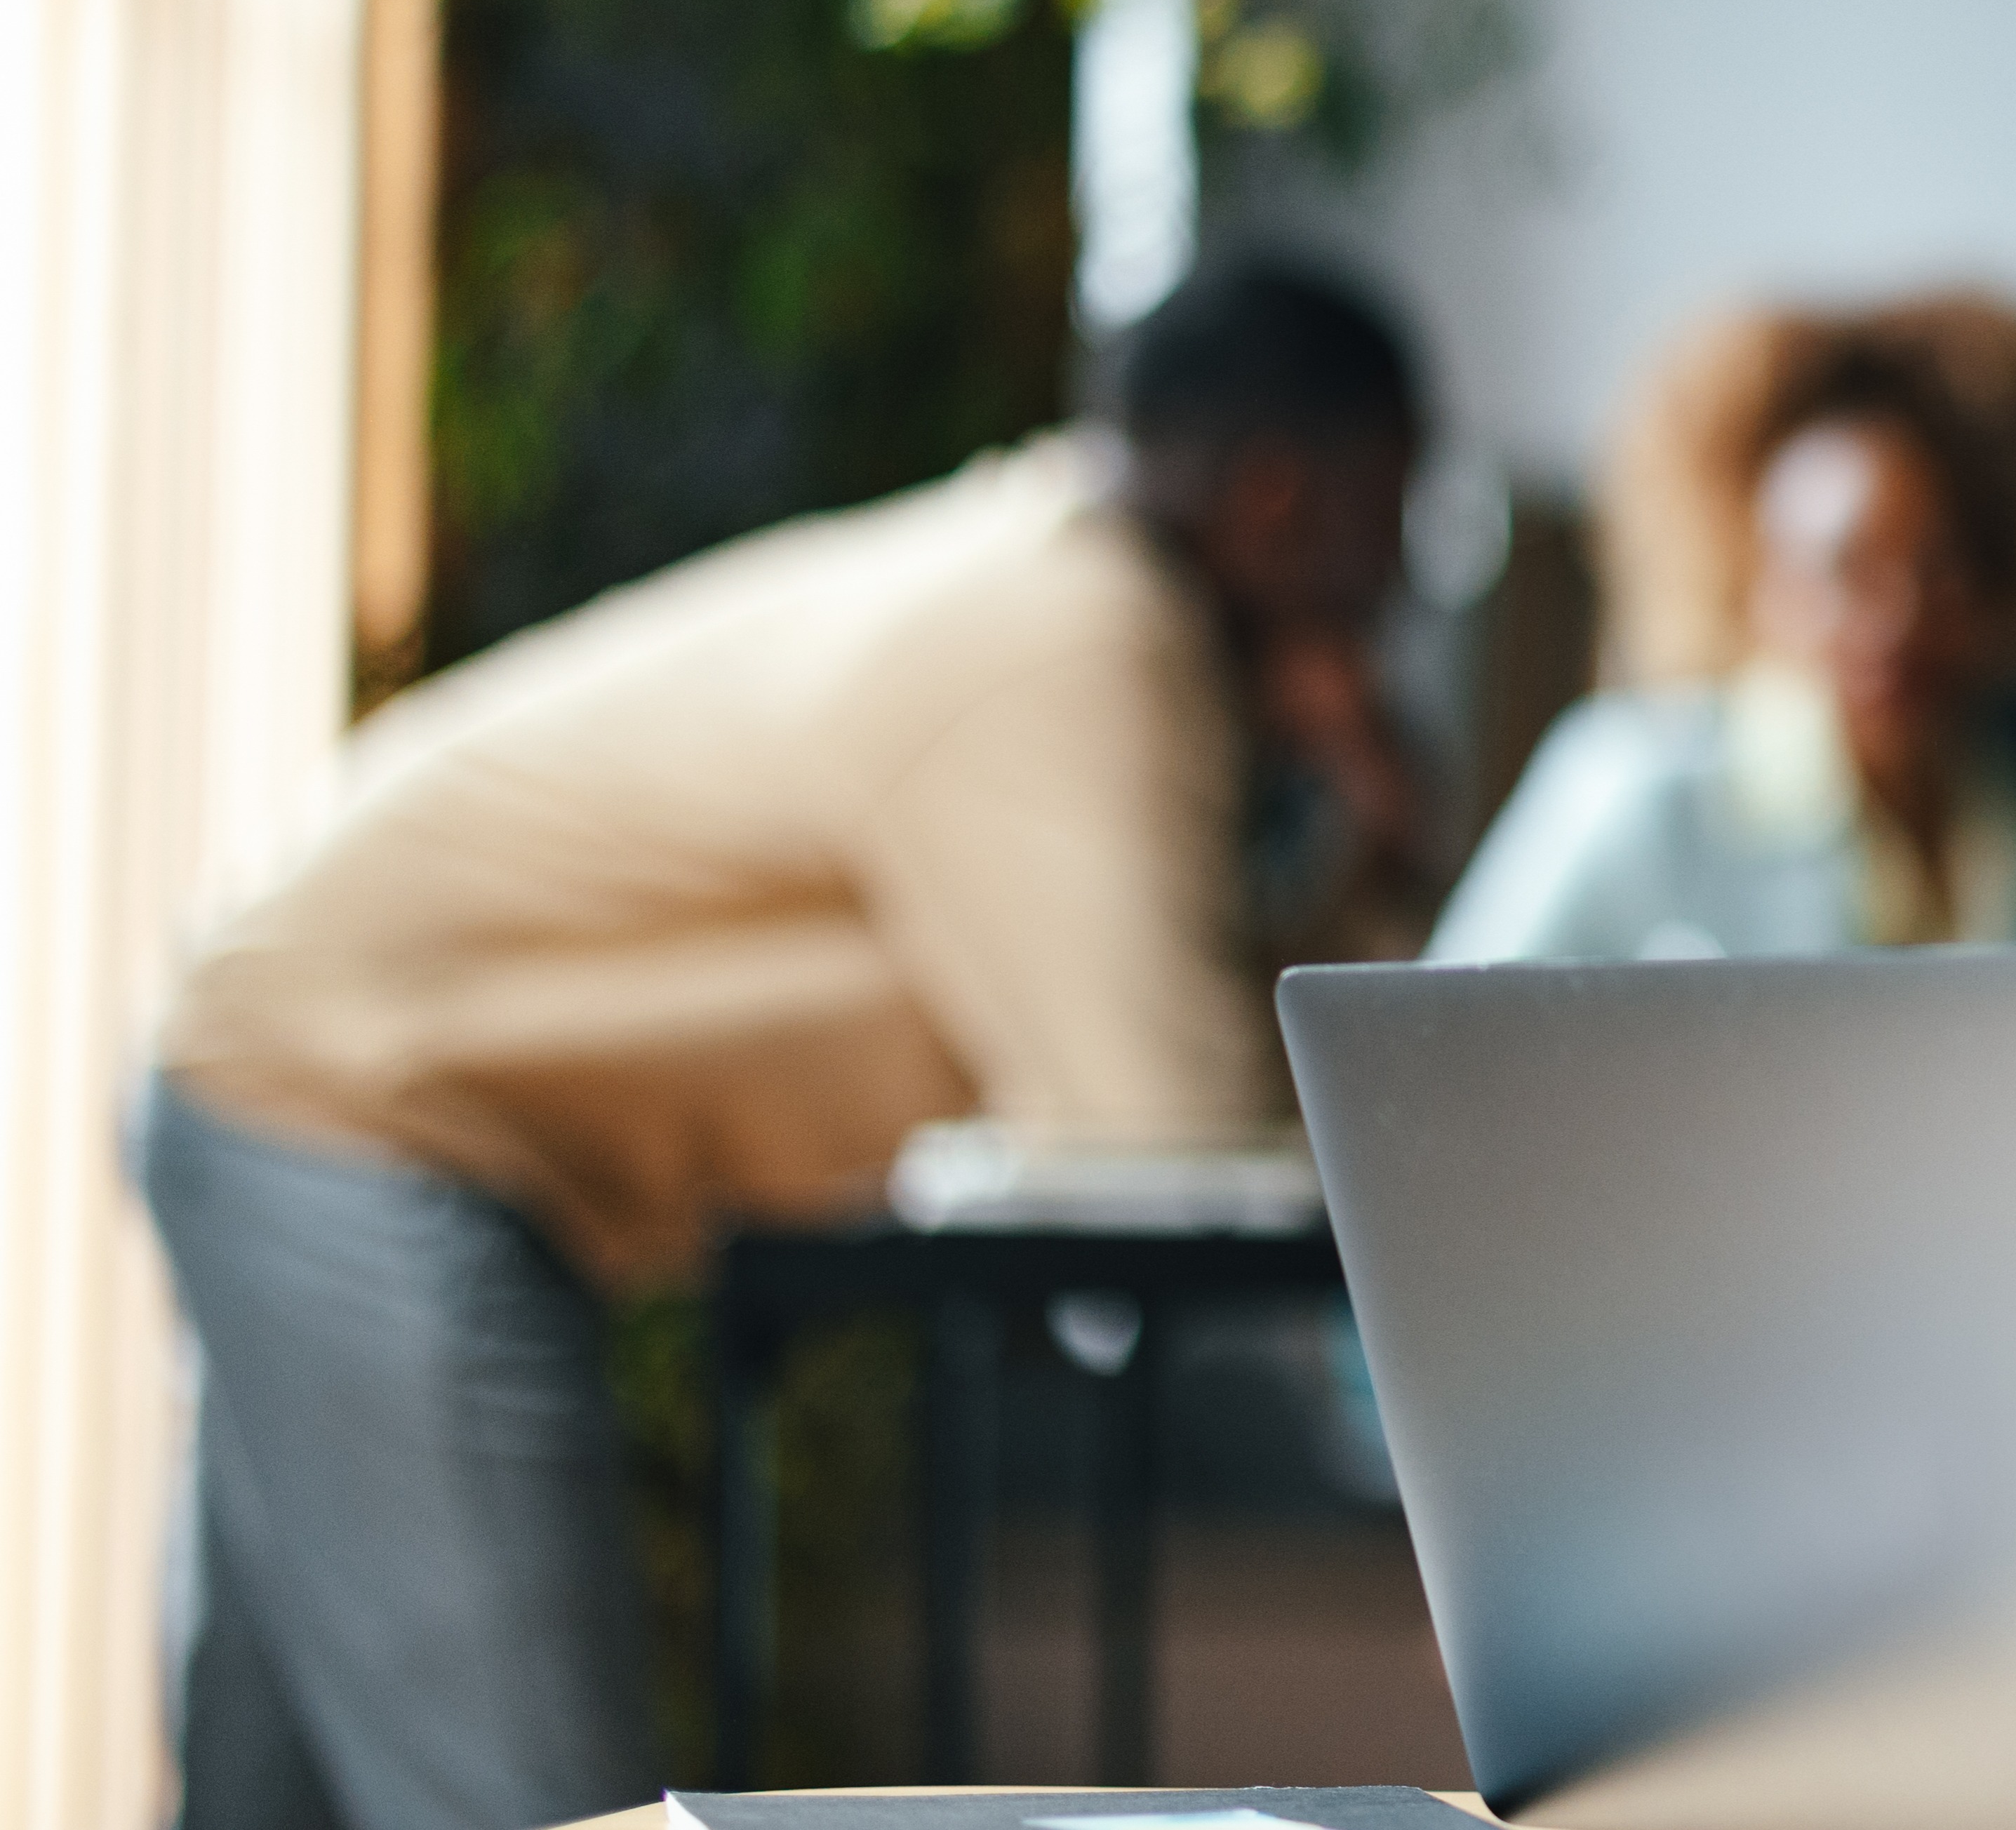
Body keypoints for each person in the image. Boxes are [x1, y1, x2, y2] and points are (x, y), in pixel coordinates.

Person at [138, 260, 1430, 1830]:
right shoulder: (1074, 636)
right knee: (538, 1807)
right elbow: (1170, 1123)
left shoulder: (1050, 583)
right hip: (354, 1111)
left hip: (298, 1079)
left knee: (269, 1796)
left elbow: (1144, 1027)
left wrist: (1344, 845)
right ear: (1285, 495)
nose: (1402, 575)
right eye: (1392, 510)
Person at [1427, 293, 2016, 962]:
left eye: (1940, 567)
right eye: (1846, 572)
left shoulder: (2005, 799)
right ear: (1755, 582)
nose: (1898, 618)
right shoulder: (1630, 785)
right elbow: (1433, 1043)